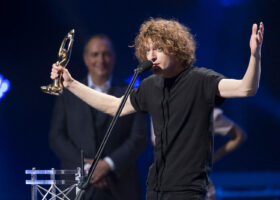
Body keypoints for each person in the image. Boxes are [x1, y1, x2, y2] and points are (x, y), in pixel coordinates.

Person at [50, 18, 264, 200]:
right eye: (148, 49)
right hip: (156, 189)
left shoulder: (201, 80)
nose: (151, 56)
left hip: (189, 190)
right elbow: (114, 106)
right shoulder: (150, 86)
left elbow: (246, 88)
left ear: (175, 48)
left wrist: (255, 56)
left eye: (158, 49)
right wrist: (71, 84)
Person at [49, 34, 148, 200]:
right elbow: (56, 137)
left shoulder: (131, 92)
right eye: (95, 54)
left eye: (106, 54)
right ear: (86, 59)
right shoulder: (67, 95)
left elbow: (138, 137)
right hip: (75, 186)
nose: (101, 60)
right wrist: (87, 168)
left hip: (119, 186)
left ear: (114, 57)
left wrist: (107, 164)